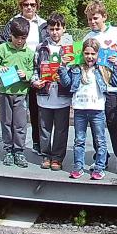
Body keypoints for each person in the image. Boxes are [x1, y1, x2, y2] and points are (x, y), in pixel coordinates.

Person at [82, 0, 117, 177]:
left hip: (112, 87)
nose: (92, 22)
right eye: (90, 19)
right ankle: (101, 158)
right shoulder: (87, 38)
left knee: (115, 124)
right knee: (96, 126)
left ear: (104, 16)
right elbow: (81, 60)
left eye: (96, 18)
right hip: (93, 89)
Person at [0, 0, 49, 155]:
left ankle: (37, 142)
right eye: (25, 4)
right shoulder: (13, 22)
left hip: (36, 71)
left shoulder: (43, 24)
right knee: (13, 114)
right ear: (21, 5)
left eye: (32, 5)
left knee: (37, 109)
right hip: (15, 72)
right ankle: (11, 147)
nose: (29, 7)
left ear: (37, 6)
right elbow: (2, 43)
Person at [61, 38, 117, 180]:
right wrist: (63, 67)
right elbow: (66, 83)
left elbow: (116, 82)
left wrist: (116, 66)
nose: (89, 56)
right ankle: (78, 167)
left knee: (100, 140)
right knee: (79, 140)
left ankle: (99, 167)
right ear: (82, 53)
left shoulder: (102, 68)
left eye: (93, 54)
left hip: (97, 110)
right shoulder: (76, 68)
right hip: (80, 110)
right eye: (86, 53)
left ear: (98, 54)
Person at [0, 17, 37, 168]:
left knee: (20, 124)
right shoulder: (2, 49)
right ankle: (8, 150)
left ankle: (19, 151)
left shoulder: (29, 53)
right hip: (4, 92)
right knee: (7, 122)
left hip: (21, 93)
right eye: (16, 37)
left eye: (23, 38)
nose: (19, 41)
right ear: (11, 35)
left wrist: (26, 75)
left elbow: (32, 71)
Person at [32, 12, 73, 171]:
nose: (55, 32)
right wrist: (35, 81)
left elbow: (73, 70)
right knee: (44, 128)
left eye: (58, 29)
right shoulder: (41, 47)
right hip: (44, 95)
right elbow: (35, 68)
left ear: (64, 29)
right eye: (51, 29)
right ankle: (46, 156)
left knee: (61, 130)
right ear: (47, 30)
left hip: (62, 95)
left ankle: (57, 158)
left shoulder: (69, 49)